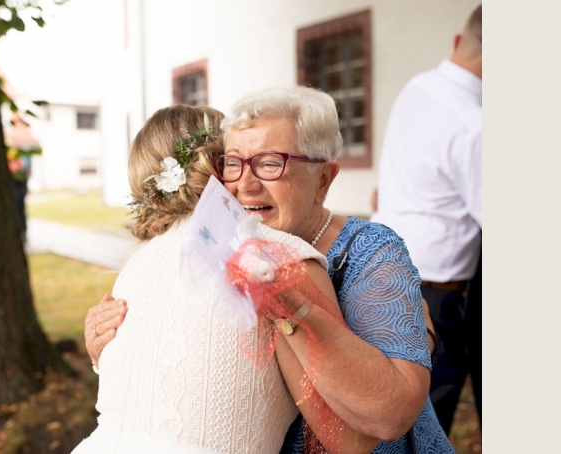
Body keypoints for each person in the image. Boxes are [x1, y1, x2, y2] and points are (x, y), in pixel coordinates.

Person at [85, 86, 453, 453]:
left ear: (323, 179)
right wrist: (110, 346)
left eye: (270, 163)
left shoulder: (370, 250)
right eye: (232, 162)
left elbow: (389, 416)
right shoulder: (220, 251)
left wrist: (292, 304)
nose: (245, 184)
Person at [371, 4, 482, 436]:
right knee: (425, 420)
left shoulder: (418, 87)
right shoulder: (476, 127)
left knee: (393, 416)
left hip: (385, 268)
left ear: (457, 42)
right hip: (435, 294)